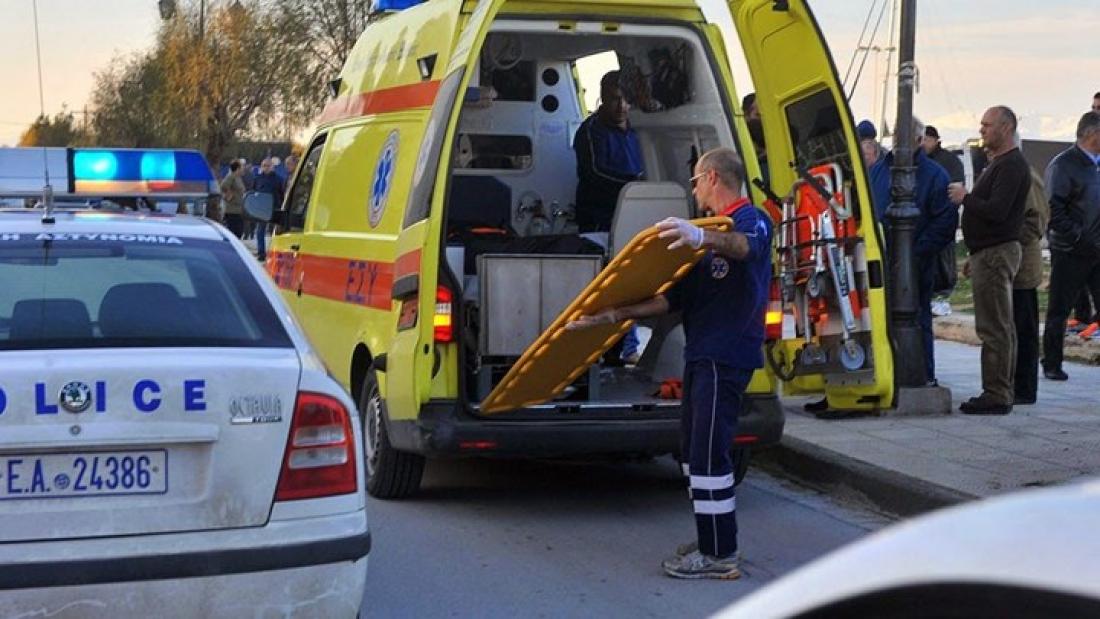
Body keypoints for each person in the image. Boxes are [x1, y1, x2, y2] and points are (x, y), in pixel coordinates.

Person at [566, 148, 772, 580]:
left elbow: (745, 247)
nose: (694, 191)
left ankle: (720, 553)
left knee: (711, 453)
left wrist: (703, 238)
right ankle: (710, 538)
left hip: (726, 353)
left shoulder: (750, 220)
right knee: (695, 453)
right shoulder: (705, 237)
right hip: (702, 353)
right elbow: (670, 301)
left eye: (695, 181)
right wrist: (612, 315)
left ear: (712, 177)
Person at [949, 106, 1031, 415]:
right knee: (998, 324)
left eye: (987, 125)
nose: (982, 130)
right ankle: (999, 389)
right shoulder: (999, 164)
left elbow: (997, 211)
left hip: (996, 254)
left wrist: (965, 198)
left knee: (995, 326)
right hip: (988, 253)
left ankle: (997, 393)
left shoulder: (1011, 166)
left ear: (1006, 128)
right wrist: (976, 253)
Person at [870, 117, 957, 384]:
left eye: (906, 134)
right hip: (880, 260)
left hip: (918, 262)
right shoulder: (878, 171)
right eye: (897, 132)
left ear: (920, 140)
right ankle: (885, 375)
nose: (899, 138)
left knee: (918, 319)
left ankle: (922, 375)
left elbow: (945, 221)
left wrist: (916, 252)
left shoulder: (935, 175)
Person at [573, 70, 644, 363]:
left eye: (626, 100)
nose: (621, 106)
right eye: (615, 99)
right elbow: (594, 173)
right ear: (602, 97)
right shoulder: (590, 132)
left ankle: (626, 346)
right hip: (598, 219)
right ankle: (604, 350)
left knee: (630, 283)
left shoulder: (640, 131)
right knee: (603, 285)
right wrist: (634, 186)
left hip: (634, 217)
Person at [1040, 111, 1100, 382]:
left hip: (1097, 249)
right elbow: (1054, 208)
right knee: (1060, 309)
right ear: (1092, 134)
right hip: (1071, 250)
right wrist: (1078, 236)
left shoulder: (1096, 165)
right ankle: (1052, 362)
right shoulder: (1064, 165)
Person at [1013, 152, 1050, 405]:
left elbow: (1036, 220)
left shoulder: (1026, 174)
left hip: (1023, 266)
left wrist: (1006, 240)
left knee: (1024, 328)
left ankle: (1025, 389)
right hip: (1009, 265)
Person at [252, 157, 285, 262]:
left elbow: (282, 194)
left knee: (274, 232)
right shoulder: (257, 178)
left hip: (275, 208)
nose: (265, 168)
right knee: (260, 231)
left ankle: (275, 253)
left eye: (268, 166)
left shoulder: (279, 179)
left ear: (272, 167)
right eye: (264, 166)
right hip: (262, 209)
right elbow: (253, 192)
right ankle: (261, 253)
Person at [219, 160, 247, 238]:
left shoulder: (238, 178)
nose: (243, 169)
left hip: (239, 210)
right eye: (242, 167)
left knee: (239, 232)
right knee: (233, 233)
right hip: (231, 210)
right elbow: (223, 186)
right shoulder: (231, 176)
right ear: (237, 168)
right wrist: (230, 196)